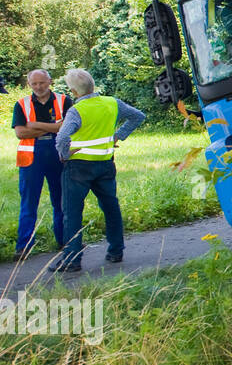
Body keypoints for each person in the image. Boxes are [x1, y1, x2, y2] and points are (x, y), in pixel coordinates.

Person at [51, 69, 146, 273]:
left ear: (74, 92)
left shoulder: (77, 110)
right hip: (105, 163)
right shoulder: (112, 103)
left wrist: (64, 154)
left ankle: (72, 260)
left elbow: (61, 138)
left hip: (78, 167)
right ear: (92, 85)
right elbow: (138, 116)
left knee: (72, 212)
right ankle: (116, 251)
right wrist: (117, 136)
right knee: (111, 207)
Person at [12, 69, 69, 258]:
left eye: (42, 83)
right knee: (29, 202)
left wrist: (35, 125)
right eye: (34, 84)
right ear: (29, 84)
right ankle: (24, 247)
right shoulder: (21, 104)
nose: (38, 87)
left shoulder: (64, 100)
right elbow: (20, 133)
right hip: (31, 158)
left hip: (59, 155)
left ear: (50, 82)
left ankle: (65, 241)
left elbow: (68, 128)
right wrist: (54, 128)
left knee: (61, 200)